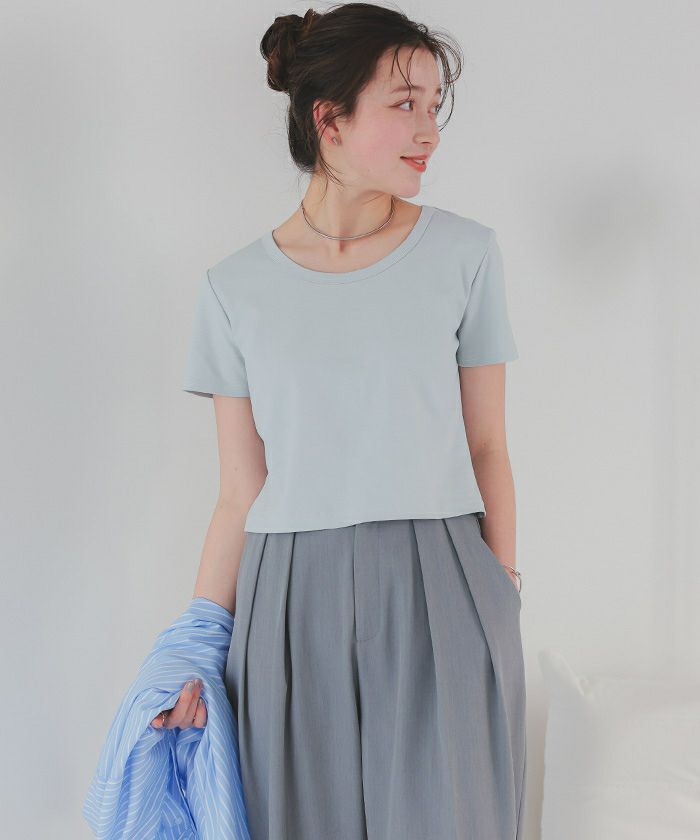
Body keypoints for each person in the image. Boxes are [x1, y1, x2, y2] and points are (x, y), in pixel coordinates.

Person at [169, 3, 526, 838]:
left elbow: (487, 445)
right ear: (329, 119)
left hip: (444, 578)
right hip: (289, 597)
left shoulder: (465, 254)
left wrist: (501, 594)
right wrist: (193, 646)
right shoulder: (233, 289)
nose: (429, 130)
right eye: (405, 104)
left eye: (434, 105)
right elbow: (239, 491)